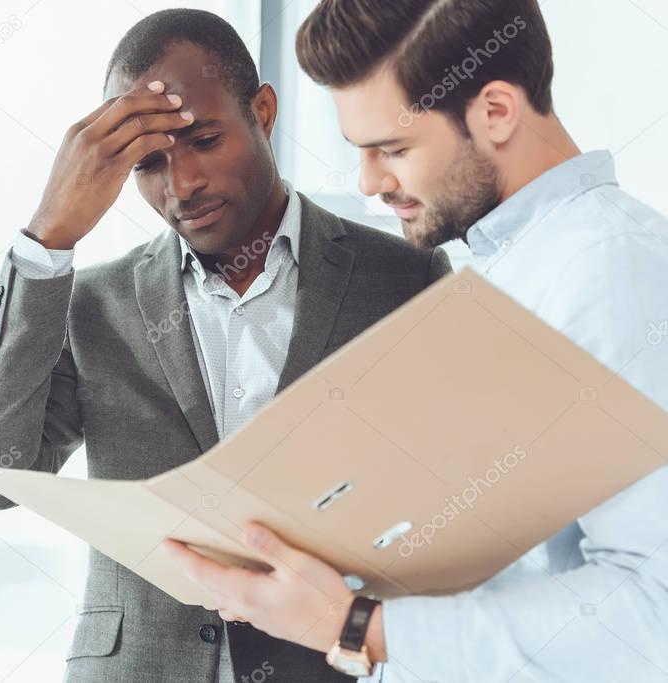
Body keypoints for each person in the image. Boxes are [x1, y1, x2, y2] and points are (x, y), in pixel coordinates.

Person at [162, 1, 668, 681]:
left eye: (392, 149)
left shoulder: (611, 271)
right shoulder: (506, 267)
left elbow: (654, 614)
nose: (370, 183)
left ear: (494, 111)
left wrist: (354, 626)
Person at [0, 8, 450, 682]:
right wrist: (47, 240)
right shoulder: (90, 304)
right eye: (147, 164)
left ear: (263, 111)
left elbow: (446, 500)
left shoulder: (401, 278)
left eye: (205, 139)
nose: (181, 185)